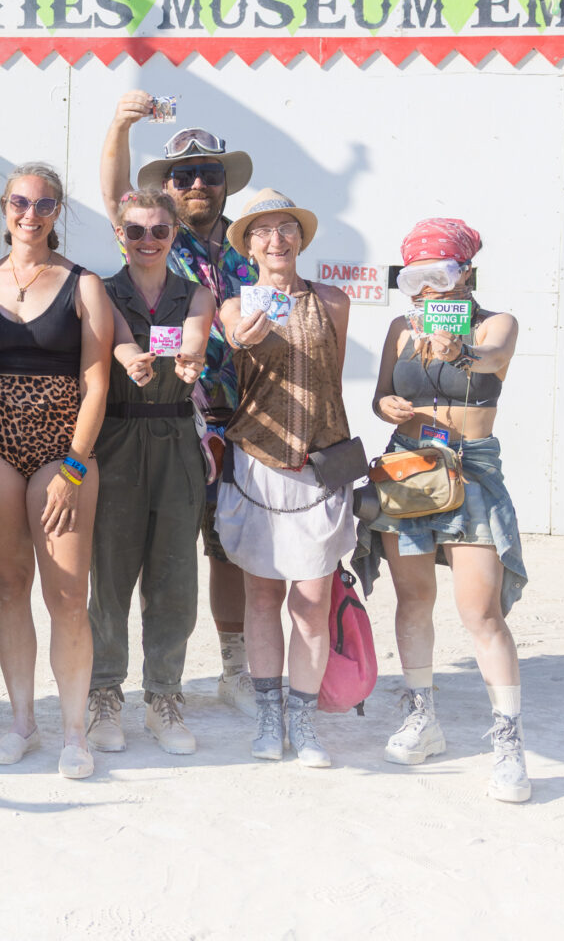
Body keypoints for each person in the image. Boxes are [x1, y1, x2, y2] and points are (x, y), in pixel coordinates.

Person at [0, 162, 114, 780]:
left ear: (58, 212)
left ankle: (75, 734)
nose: (29, 214)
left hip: (60, 449)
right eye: (19, 202)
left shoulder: (83, 285)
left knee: (68, 594)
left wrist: (73, 466)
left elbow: (97, 383)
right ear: (6, 206)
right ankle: (22, 723)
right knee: (9, 585)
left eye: (43, 205)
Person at [364, 218, 529, 802]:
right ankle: (421, 717)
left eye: (441, 274)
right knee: (412, 600)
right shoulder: (398, 328)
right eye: (417, 278)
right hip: (409, 469)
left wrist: (458, 349)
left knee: (481, 610)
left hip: (472, 468)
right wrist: (387, 405)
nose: (429, 291)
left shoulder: (496, 323)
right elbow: (382, 397)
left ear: (467, 273)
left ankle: (508, 741)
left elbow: (490, 359)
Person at [101, 99, 257, 706]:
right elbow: (117, 192)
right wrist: (119, 126)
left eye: (209, 173)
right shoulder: (151, 239)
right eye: (183, 174)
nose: (197, 183)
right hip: (163, 419)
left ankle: (233, 668)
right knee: (143, 557)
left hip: (241, 420)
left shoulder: (251, 247)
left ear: (224, 183)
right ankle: (118, 688)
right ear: (165, 188)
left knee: (228, 549)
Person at [213, 191, 354, 770]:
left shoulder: (334, 301)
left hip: (320, 465)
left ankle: (304, 718)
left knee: (314, 600)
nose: (276, 239)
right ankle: (270, 716)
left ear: (301, 238)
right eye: (263, 231)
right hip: (258, 460)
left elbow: (332, 378)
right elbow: (238, 343)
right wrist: (246, 332)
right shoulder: (233, 305)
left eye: (287, 228)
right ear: (248, 245)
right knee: (263, 593)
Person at [86, 191, 215, 757]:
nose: (147, 241)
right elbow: (115, 339)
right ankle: (103, 696)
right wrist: (127, 358)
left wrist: (189, 360)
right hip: (117, 437)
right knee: (109, 576)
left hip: (175, 440)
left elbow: (194, 338)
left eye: (159, 231)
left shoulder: (196, 294)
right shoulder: (102, 290)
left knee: (174, 576)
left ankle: (164, 694)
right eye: (135, 231)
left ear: (174, 235)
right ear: (120, 235)